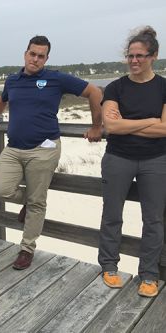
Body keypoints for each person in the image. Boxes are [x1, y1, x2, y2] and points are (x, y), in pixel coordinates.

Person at [0, 35, 103, 270]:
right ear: (25, 53)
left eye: (40, 56)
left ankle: (26, 249)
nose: (35, 59)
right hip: (13, 147)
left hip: (44, 149)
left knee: (38, 202)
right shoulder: (13, 80)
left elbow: (95, 93)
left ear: (46, 58)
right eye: (32, 54)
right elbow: (1, 100)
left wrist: (97, 126)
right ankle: (29, 201)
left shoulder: (56, 78)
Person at [98, 26, 166, 297]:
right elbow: (111, 127)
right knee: (112, 215)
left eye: (140, 55)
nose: (134, 61)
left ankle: (148, 274)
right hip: (118, 158)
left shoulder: (163, 87)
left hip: (156, 160)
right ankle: (109, 266)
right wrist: (151, 121)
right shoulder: (115, 87)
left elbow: (165, 130)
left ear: (154, 56)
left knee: (153, 220)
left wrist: (128, 123)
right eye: (130, 56)